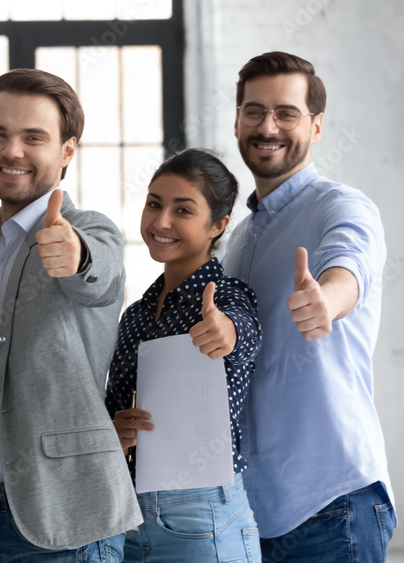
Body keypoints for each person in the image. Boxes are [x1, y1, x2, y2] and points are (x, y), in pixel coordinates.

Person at [0, 68, 142, 563]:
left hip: (66, 522)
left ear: (67, 150)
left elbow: (101, 274)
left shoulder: (88, 229)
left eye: (34, 138)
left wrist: (76, 255)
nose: (12, 151)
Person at [223, 51, 395, 562]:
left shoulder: (340, 206)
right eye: (254, 111)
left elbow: (350, 263)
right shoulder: (238, 240)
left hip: (332, 506)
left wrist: (329, 300)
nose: (267, 127)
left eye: (286, 113)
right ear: (237, 120)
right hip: (252, 512)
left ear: (316, 127)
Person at [105, 148, 262, 562]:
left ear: (218, 225)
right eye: (154, 204)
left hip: (204, 513)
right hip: (128, 513)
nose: (161, 222)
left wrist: (227, 332)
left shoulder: (226, 297)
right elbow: (113, 407)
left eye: (183, 210)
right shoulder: (135, 314)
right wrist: (115, 431)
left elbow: (245, 333)